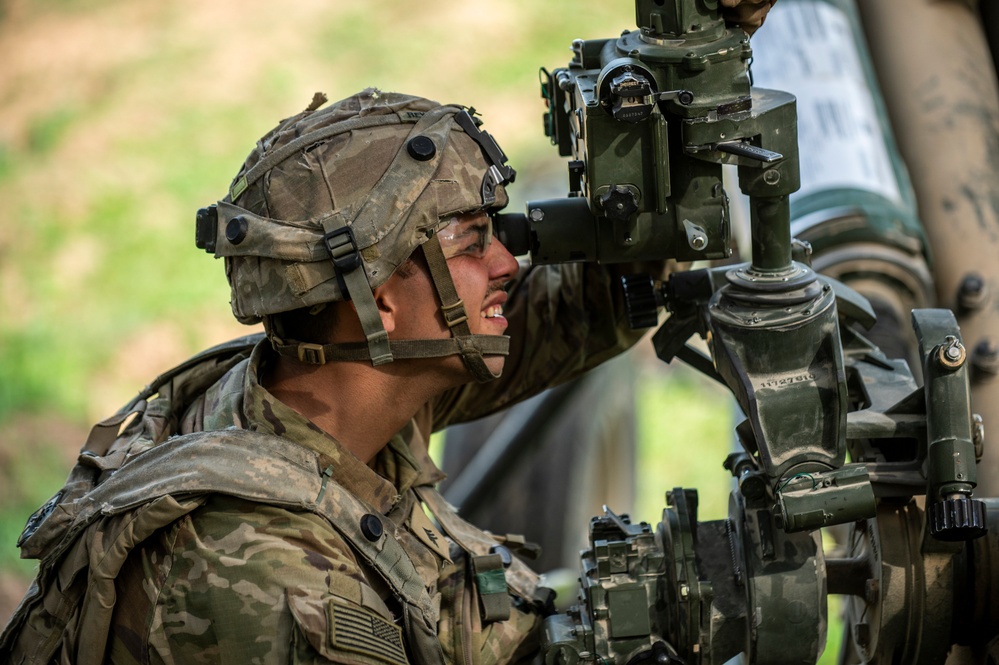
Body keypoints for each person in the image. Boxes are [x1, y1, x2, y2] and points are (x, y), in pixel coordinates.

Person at [1, 5, 776, 664]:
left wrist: (694, 42)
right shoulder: (264, 580)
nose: (509, 261)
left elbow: (585, 305)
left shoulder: (338, 387)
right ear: (381, 300)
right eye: (472, 243)